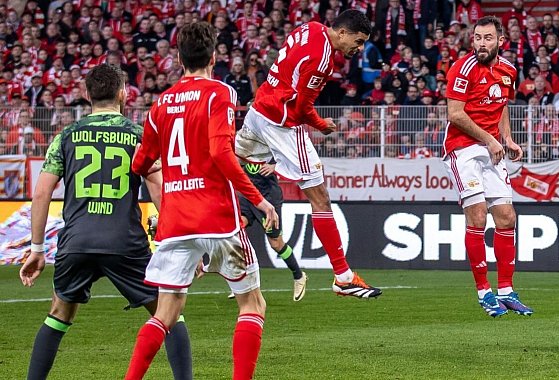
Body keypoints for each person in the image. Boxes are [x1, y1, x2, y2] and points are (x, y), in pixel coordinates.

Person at [124, 22, 279, 380]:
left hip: (175, 220)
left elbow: (140, 164)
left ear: (178, 59)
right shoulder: (220, 93)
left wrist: (160, 162)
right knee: (252, 304)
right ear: (214, 57)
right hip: (217, 217)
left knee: (165, 313)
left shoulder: (160, 104)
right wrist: (259, 200)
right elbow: (221, 153)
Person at [19, 63, 193, 380]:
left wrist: (36, 249)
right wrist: (174, 238)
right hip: (124, 242)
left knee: (58, 314)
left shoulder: (66, 136)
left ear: (87, 95)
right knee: (169, 314)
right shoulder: (137, 135)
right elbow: (159, 189)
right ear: (123, 94)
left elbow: (42, 193)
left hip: (77, 241)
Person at [233, 9, 380, 297]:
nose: (359, 48)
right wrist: (321, 124)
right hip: (282, 124)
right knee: (320, 197)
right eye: (358, 41)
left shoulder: (310, 27)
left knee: (224, 163)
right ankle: (343, 276)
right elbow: (301, 109)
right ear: (342, 32)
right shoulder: (323, 60)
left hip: (258, 111)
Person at [444, 16, 532, 318]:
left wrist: (506, 137)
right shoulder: (461, 69)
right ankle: (484, 291)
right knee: (478, 214)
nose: (481, 43)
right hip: (462, 149)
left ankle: (506, 291)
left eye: (488, 38)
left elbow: (502, 106)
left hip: (491, 147)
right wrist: (489, 140)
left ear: (500, 41)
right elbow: (455, 114)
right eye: (477, 38)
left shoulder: (508, 71)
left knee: (507, 217)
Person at [232, 159, 308, 301]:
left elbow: (294, 162)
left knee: (276, 243)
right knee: (236, 229)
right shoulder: (244, 141)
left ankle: (299, 276)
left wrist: (275, 166)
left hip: (268, 198)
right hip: (249, 195)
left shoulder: (271, 141)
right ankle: (242, 281)